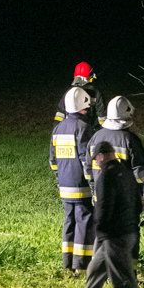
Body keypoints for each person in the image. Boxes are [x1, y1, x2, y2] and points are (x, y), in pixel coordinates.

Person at [71, 142, 144, 288]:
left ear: (101, 156)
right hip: (126, 233)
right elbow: (138, 203)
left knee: (123, 283)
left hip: (114, 237)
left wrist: (100, 232)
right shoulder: (126, 172)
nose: (96, 163)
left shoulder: (106, 177)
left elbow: (103, 208)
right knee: (94, 275)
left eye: (96, 159)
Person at [49, 87, 95, 274]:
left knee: (69, 222)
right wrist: (92, 183)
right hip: (81, 186)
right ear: (83, 108)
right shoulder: (84, 128)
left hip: (65, 185)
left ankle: (67, 263)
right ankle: (81, 265)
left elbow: (53, 160)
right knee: (84, 221)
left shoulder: (58, 128)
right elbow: (86, 159)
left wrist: (59, 178)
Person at [87, 96, 144, 211]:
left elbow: (88, 168)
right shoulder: (130, 140)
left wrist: (93, 190)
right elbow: (139, 173)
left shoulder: (96, 137)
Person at [55, 62, 106, 129]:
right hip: (89, 131)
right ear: (89, 76)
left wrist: (58, 131)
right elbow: (102, 116)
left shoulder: (69, 93)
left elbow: (60, 115)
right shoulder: (96, 93)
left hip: (71, 130)